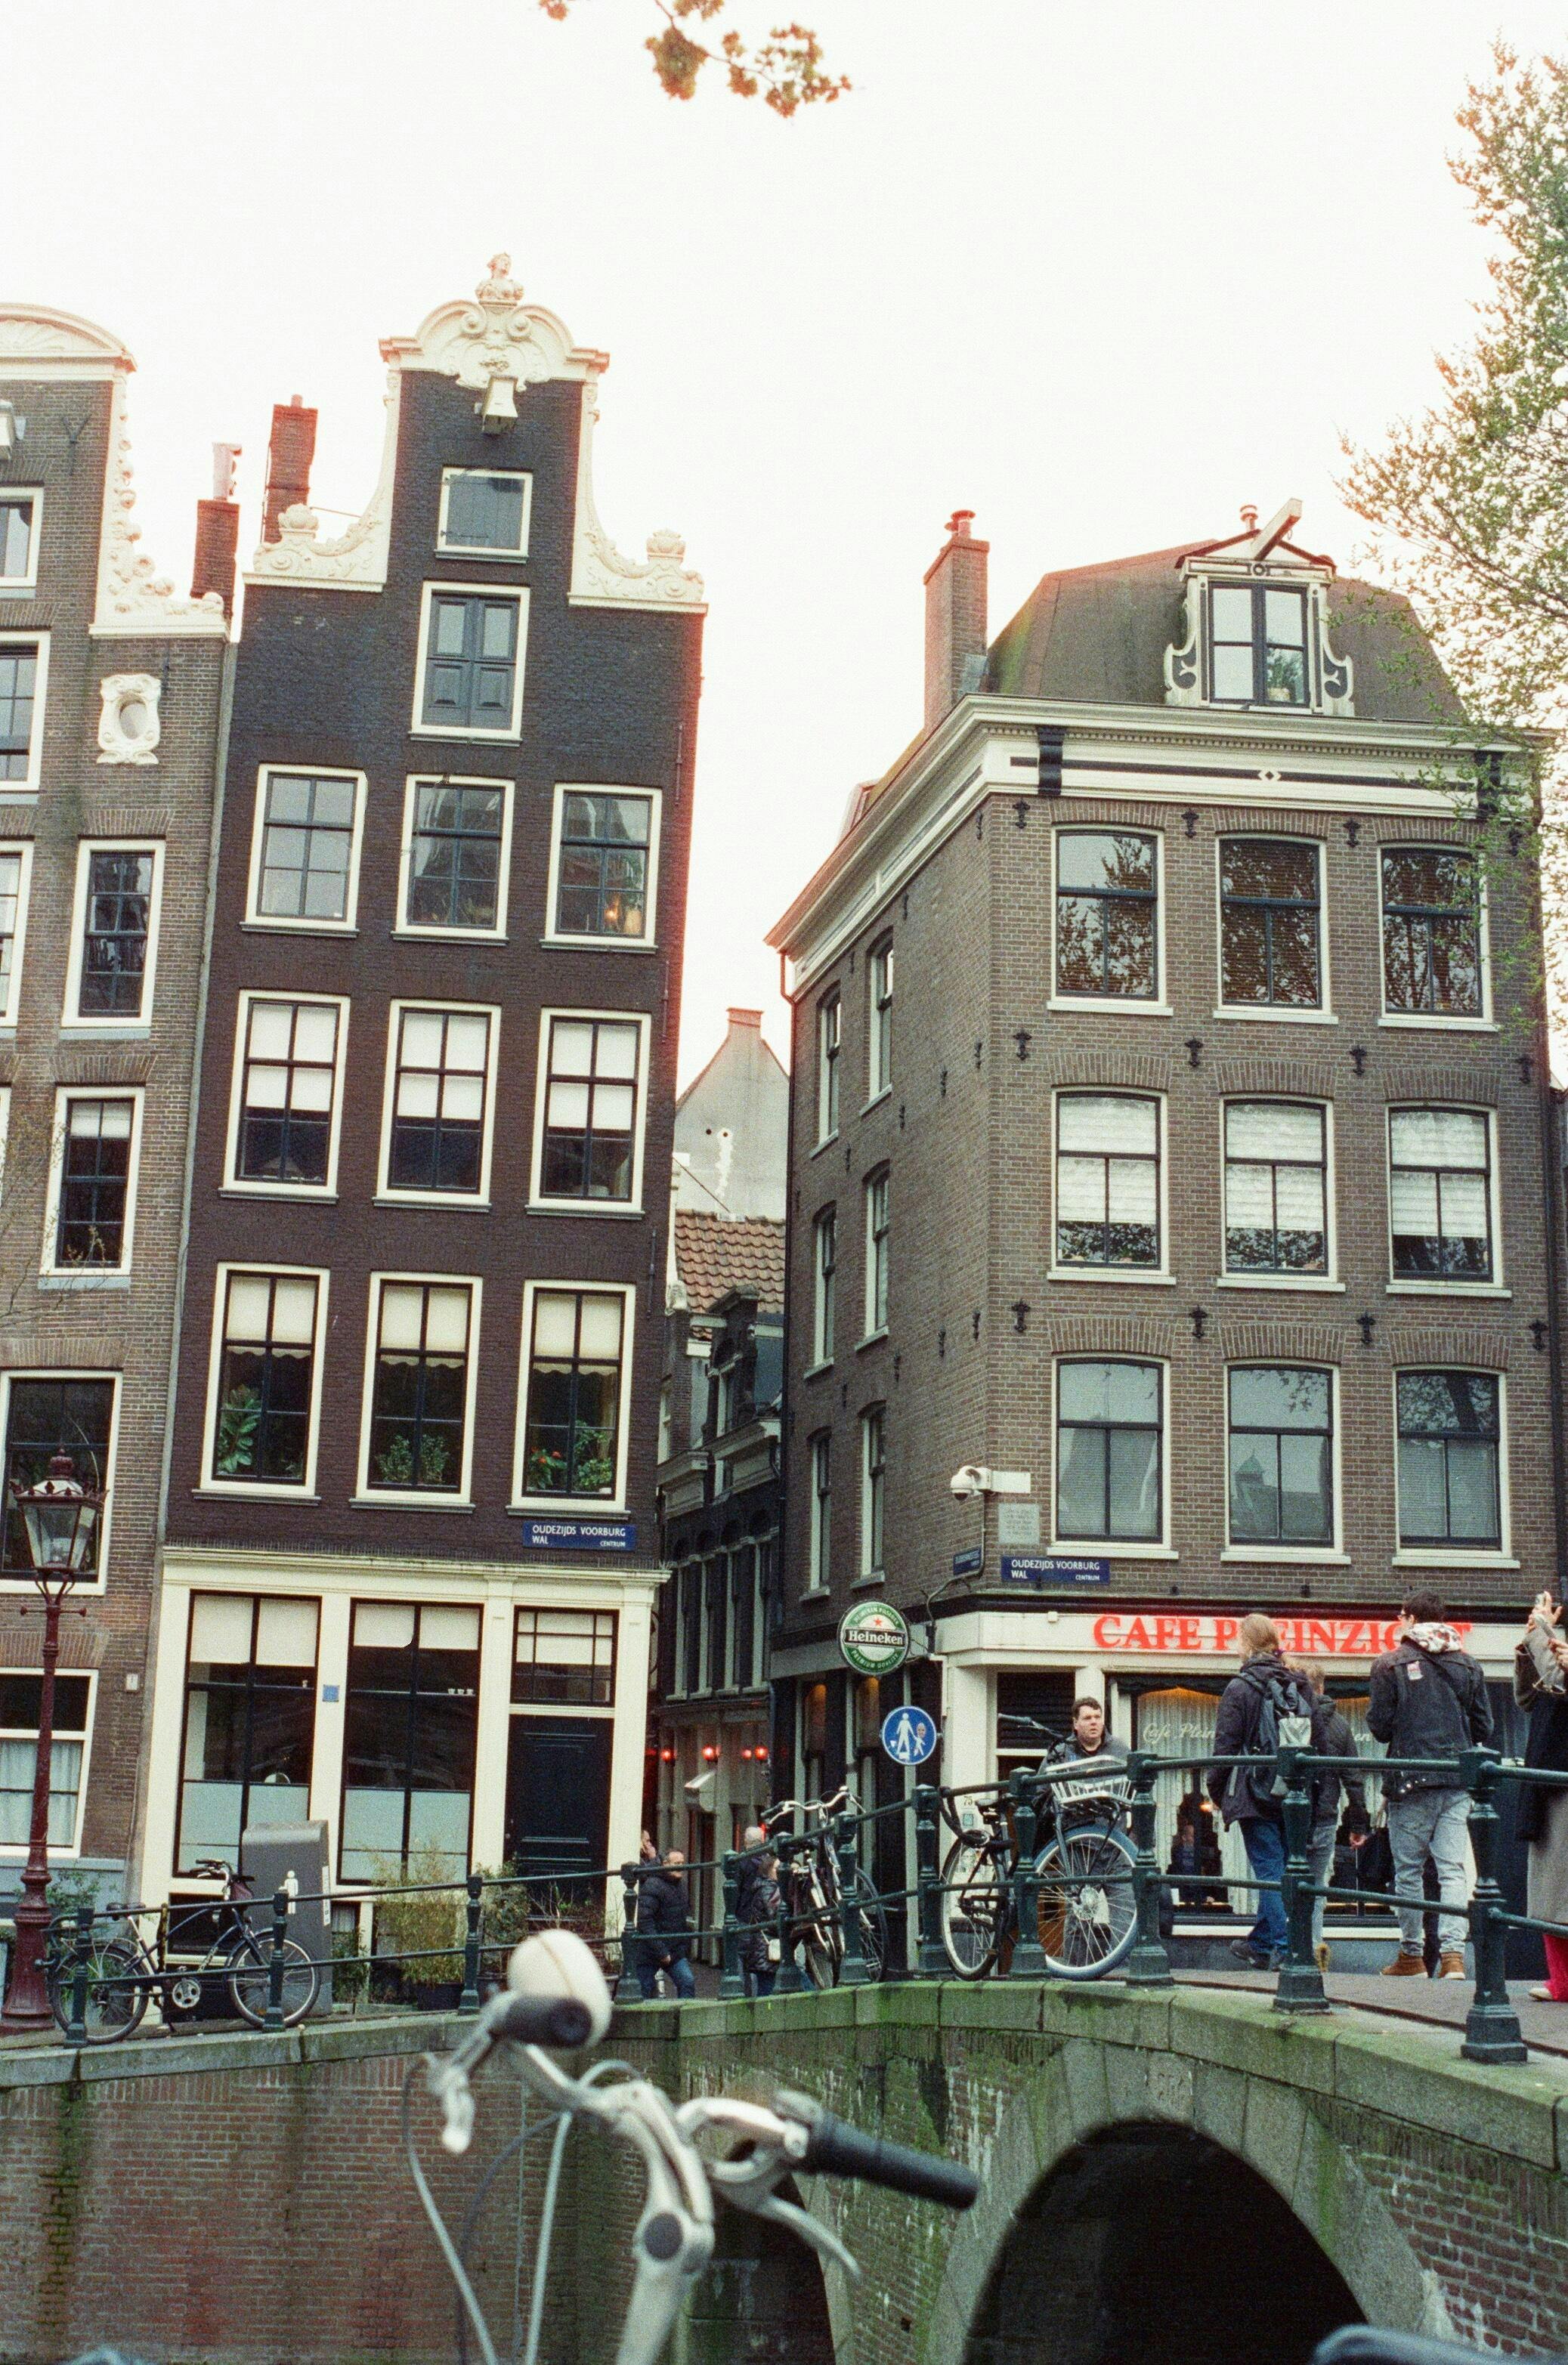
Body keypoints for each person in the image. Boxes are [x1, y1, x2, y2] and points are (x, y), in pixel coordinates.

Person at [1369, 1589, 1492, 1980]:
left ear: (1409, 1618)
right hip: (1457, 1781)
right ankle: (1454, 1956)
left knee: (1408, 1871)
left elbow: (1379, 1727)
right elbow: (1484, 1727)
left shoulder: (1389, 1664)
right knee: (1452, 1870)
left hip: (1410, 1781)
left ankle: (1412, 1956)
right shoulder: (1469, 1665)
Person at [1208, 1615, 1328, 1971]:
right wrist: (1312, 1790)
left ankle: (1288, 1949)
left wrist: (1217, 1791)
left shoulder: (1240, 1687)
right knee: (1285, 1869)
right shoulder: (1300, 1683)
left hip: (1254, 1792)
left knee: (1269, 1870)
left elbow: (1225, 1748)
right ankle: (1261, 1944)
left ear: (1245, 1643)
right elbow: (1319, 1743)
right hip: (1293, 1792)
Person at [1293, 1659, 1366, 1975]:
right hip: (1325, 1817)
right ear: (1322, 1687)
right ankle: (1313, 1949)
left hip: (1293, 1816)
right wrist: (1358, 1823)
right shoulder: (1340, 1726)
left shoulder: (1290, 1719)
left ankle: (1288, 1949)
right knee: (1316, 1886)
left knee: (1286, 1882)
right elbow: (1354, 1777)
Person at [1513, 1591, 1568, 2003]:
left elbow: (1558, 1681)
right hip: (1548, 1778)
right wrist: (1529, 1645)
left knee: (1559, 1887)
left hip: (1561, 1779)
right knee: (1549, 1889)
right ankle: (1561, 1981)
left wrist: (1541, 1635)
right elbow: (1528, 1697)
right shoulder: (1558, 1651)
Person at [636, 1848, 697, 2001]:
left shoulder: (681, 1885)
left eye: (683, 1863)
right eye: (677, 1864)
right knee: (642, 1990)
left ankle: (684, 2015)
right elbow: (645, 1922)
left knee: (687, 1982)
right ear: (665, 1864)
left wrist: (681, 1947)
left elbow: (681, 1918)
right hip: (650, 1951)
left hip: (674, 1950)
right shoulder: (652, 1885)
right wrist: (661, 1951)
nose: (681, 1867)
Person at [735, 1824, 782, 1999]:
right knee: (760, 1962)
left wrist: (732, 1915)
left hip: (745, 1917)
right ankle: (757, 1998)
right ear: (762, 1841)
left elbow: (735, 1892)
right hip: (762, 1921)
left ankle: (742, 1997)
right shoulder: (769, 1862)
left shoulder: (741, 1862)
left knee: (742, 1958)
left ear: (745, 1842)